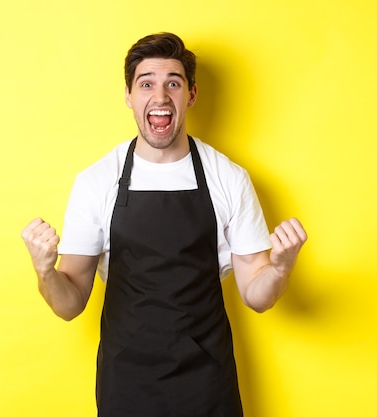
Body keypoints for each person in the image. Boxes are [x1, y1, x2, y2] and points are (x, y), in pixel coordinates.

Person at [21, 32, 308, 417]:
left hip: (207, 380)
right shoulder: (97, 181)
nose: (160, 97)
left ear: (190, 95)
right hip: (126, 381)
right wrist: (45, 273)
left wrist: (281, 267)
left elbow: (257, 295)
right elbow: (69, 304)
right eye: (146, 84)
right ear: (129, 96)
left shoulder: (228, 177)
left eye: (173, 83)